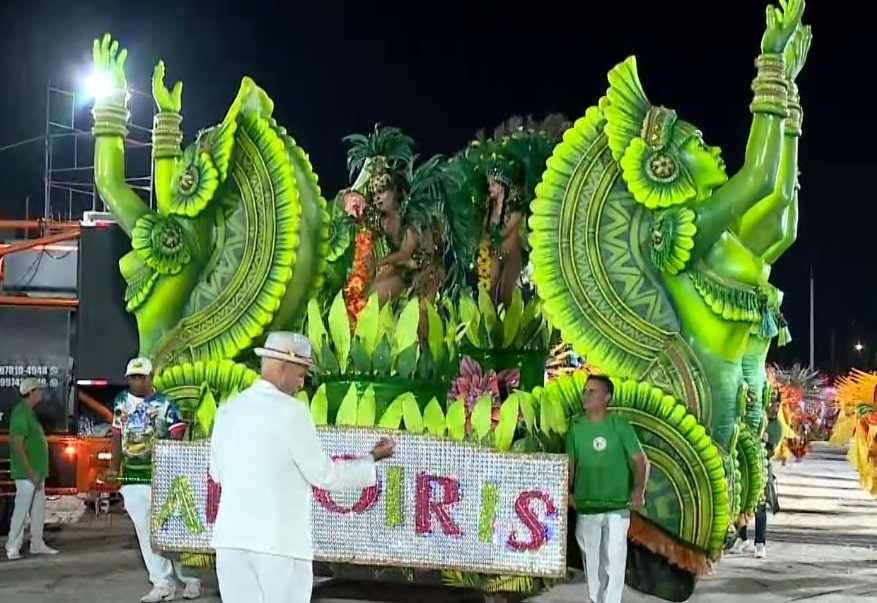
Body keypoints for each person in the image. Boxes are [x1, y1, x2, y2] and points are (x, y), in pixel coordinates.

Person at [210, 331, 395, 603]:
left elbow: (217, 473)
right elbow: (324, 475)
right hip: (278, 544)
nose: (301, 383)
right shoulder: (292, 412)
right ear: (283, 367)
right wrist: (370, 459)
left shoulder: (227, 409)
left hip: (230, 541)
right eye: (301, 374)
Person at [103, 357, 201, 602]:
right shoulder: (121, 402)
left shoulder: (167, 405)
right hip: (133, 478)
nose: (136, 382)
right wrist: (113, 467)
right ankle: (162, 583)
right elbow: (116, 436)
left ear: (150, 377)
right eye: (132, 377)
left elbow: (178, 438)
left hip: (161, 480)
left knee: (169, 533)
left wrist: (173, 473)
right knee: (145, 533)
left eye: (141, 377)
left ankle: (189, 578)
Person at [567, 374, 650, 603]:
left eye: (592, 391)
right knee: (591, 560)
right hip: (587, 504)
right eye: (585, 391)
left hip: (617, 505)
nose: (586, 395)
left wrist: (638, 491)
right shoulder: (575, 428)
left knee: (614, 558)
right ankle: (595, 599)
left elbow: (641, 461)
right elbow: (570, 465)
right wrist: (568, 492)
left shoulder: (620, 425)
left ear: (607, 397)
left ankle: (612, 600)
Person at [5, 378, 57, 560]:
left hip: (36, 473)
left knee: (38, 510)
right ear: (31, 393)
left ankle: (37, 543)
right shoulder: (21, 414)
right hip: (27, 474)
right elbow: (17, 444)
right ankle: (12, 545)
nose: (40, 394)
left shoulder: (29, 413)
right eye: (38, 391)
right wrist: (29, 471)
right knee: (22, 509)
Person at [730, 396, 783, 558]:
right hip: (745, 465)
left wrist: (754, 451)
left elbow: (771, 451)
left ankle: (760, 543)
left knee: (759, 506)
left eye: (778, 405)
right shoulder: (755, 418)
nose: (775, 408)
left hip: (761, 467)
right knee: (741, 503)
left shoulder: (776, 426)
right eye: (774, 404)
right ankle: (742, 537)